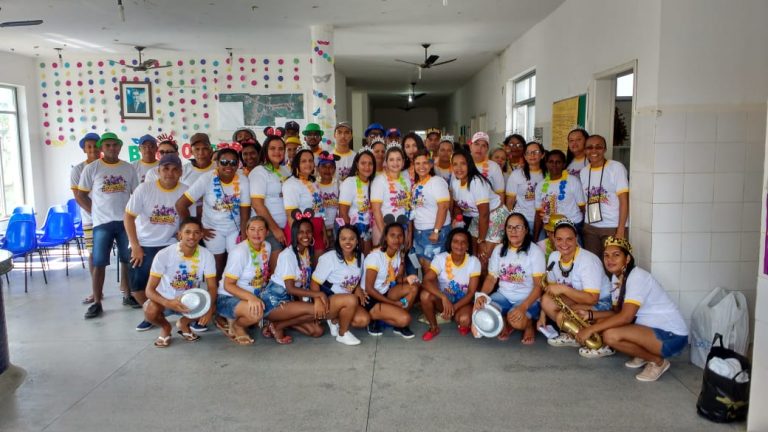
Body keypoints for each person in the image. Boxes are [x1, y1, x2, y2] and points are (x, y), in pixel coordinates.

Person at [575, 237, 688, 381]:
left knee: (610, 335)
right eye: (606, 255)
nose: (610, 260)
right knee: (603, 324)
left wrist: (591, 329)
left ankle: (658, 362)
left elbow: (626, 317)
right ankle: (643, 354)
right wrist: (590, 315)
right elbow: (616, 313)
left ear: (627, 259)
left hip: (672, 337)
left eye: (616, 255)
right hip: (651, 330)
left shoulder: (637, 277)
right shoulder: (617, 277)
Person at [76, 132, 139, 319]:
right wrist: (94, 212)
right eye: (108, 145)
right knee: (99, 262)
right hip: (102, 224)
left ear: (120, 147)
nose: (112, 148)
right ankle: (97, 302)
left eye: (115, 145)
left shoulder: (128, 168)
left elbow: (136, 195)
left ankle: (128, 295)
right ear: (102, 148)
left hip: (125, 222)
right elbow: (80, 195)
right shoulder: (92, 168)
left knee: (128, 259)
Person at [125, 153, 188, 331]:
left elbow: (188, 220)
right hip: (144, 243)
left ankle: (178, 311)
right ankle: (152, 314)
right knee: (137, 287)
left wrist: (182, 237)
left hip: (170, 244)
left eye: (175, 169)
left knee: (179, 282)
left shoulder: (186, 190)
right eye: (166, 169)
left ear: (181, 172)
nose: (170, 173)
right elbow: (128, 217)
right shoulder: (144, 189)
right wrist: (135, 245)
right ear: (158, 171)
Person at [538, 219, 613, 350]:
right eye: (559, 239)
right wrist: (542, 316)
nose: (564, 244)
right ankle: (574, 334)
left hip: (601, 302)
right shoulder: (554, 257)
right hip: (578, 299)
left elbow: (592, 299)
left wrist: (563, 289)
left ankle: (585, 337)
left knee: (563, 316)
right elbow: (551, 292)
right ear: (553, 239)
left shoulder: (588, 261)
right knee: (546, 300)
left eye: (569, 239)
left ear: (576, 238)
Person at [142, 218, 217, 347]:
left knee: (214, 304)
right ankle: (166, 328)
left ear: (201, 235)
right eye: (187, 232)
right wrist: (168, 302)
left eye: (196, 232)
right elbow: (149, 290)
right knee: (149, 310)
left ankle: (183, 323)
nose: (192, 236)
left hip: (191, 301)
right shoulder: (164, 254)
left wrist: (209, 308)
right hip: (165, 300)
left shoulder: (207, 255)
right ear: (179, 234)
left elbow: (212, 287)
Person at [178, 148, 250, 280]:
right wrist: (199, 229)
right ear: (217, 163)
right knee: (217, 264)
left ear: (238, 164)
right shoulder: (206, 178)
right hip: (212, 229)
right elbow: (181, 204)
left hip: (235, 229)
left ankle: (231, 289)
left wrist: (244, 237)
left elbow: (245, 213)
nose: (229, 166)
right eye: (224, 162)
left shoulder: (243, 180)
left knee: (236, 261)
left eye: (233, 162)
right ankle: (216, 290)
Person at [474, 213, 544, 344]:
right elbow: (491, 278)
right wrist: (482, 295)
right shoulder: (499, 249)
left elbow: (538, 286)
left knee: (517, 322)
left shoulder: (535, 252)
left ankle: (529, 325)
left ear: (526, 230)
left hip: (526, 298)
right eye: (510, 227)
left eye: (518, 227)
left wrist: (523, 306)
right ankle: (504, 320)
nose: (513, 231)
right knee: (483, 312)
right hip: (503, 296)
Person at [310, 225, 372, 345]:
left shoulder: (360, 256)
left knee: (363, 320)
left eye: (351, 238)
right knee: (351, 299)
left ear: (357, 240)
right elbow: (314, 282)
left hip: (347, 300)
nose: (348, 242)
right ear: (338, 240)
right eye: (343, 239)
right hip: (327, 300)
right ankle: (343, 334)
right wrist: (317, 301)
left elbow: (353, 279)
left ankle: (334, 320)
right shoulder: (329, 258)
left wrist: (358, 288)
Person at [216, 216, 272, 345]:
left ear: (267, 232)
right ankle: (237, 326)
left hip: (254, 294)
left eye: (260, 229)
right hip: (228, 297)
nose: (256, 233)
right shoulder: (239, 252)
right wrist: (251, 298)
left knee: (278, 305)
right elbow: (228, 285)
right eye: (252, 229)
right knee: (257, 313)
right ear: (246, 232)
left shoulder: (267, 246)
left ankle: (236, 317)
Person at [420, 228, 481, 341]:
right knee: (425, 295)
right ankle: (434, 327)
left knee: (464, 320)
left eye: (463, 242)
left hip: (463, 303)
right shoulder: (440, 258)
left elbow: (471, 292)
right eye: (455, 241)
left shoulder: (474, 261)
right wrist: (443, 297)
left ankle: (455, 317)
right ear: (450, 243)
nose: (459, 245)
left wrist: (453, 308)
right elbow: (426, 281)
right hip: (444, 301)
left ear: (468, 245)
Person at [450, 149, 507, 268]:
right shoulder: (455, 182)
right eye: (455, 164)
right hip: (478, 217)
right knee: (473, 254)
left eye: (463, 163)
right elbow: (457, 206)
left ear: (469, 164)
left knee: (484, 257)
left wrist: (481, 241)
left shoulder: (476, 182)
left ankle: (486, 279)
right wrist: (457, 218)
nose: (459, 168)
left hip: (495, 215)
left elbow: (484, 214)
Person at [362, 223, 419, 339]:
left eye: (400, 236)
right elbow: (369, 288)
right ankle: (373, 318)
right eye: (392, 235)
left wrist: (407, 278)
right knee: (405, 319)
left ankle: (395, 320)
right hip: (370, 298)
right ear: (385, 237)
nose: (396, 239)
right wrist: (393, 303)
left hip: (386, 292)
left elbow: (397, 278)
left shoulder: (398, 253)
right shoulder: (375, 257)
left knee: (413, 287)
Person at [580, 134, 629, 259]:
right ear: (585, 150)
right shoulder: (584, 172)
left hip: (612, 227)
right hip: (591, 228)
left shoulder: (616, 168)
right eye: (589, 147)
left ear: (605, 149)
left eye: (598, 147)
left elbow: (624, 201)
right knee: (593, 264)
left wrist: (620, 230)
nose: (594, 151)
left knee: (612, 264)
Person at [250, 135, 290, 271]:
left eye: (280, 149)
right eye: (272, 148)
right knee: (275, 270)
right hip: (269, 229)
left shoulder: (286, 170)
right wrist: (275, 229)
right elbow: (257, 205)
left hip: (286, 227)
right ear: (265, 150)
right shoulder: (259, 172)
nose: (277, 152)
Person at [71, 132, 101, 305]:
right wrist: (97, 214)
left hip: (112, 218)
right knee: (93, 254)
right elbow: (78, 196)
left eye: (96, 146)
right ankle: (96, 292)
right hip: (90, 219)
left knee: (124, 255)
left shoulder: (107, 166)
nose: (93, 149)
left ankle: (126, 291)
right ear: (84, 149)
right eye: (89, 147)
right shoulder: (78, 170)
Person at [410, 149, 451, 272]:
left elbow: (444, 207)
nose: (421, 166)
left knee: (432, 270)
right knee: (423, 266)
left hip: (434, 231)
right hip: (419, 232)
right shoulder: (416, 185)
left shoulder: (436, 181)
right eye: (417, 163)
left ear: (431, 164)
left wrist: (436, 231)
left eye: (425, 163)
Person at [282, 148, 328, 251]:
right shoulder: (291, 184)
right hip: (301, 232)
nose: (308, 164)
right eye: (303, 161)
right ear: (297, 164)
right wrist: (297, 239)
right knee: (303, 260)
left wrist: (323, 232)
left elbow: (319, 209)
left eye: (310, 160)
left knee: (320, 260)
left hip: (317, 230)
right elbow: (290, 214)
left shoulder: (313, 182)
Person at [533, 149, 585, 241]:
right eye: (551, 162)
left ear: (564, 164)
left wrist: (584, 229)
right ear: (546, 164)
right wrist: (535, 237)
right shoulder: (541, 185)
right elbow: (538, 213)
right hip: (549, 228)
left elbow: (583, 208)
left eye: (558, 162)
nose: (554, 165)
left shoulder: (573, 181)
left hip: (573, 225)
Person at [371, 145, 411, 247]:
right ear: (386, 162)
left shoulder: (406, 181)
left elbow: (409, 209)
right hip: (383, 228)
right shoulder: (379, 181)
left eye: (398, 159)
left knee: (400, 256)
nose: (395, 163)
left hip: (402, 229)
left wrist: (409, 232)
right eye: (391, 159)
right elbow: (376, 209)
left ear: (403, 162)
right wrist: (385, 235)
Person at [338, 149, 375, 254]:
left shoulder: (373, 183)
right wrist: (351, 236)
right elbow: (343, 213)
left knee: (367, 259)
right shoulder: (350, 182)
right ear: (357, 164)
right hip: (353, 229)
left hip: (368, 229)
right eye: (363, 163)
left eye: (370, 163)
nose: (367, 167)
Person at [506, 141, 546, 233]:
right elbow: (510, 202)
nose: (532, 155)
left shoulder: (549, 174)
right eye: (528, 152)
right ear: (524, 156)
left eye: (536, 152)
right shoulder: (516, 174)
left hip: (543, 221)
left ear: (542, 155)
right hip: (522, 220)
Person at [182, 133, 216, 218]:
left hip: (215, 218)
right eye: (197, 149)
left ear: (211, 150)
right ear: (191, 151)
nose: (201, 153)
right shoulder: (183, 170)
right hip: (190, 217)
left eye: (205, 148)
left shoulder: (219, 168)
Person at [469, 131, 505, 201]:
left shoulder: (494, 167)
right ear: (470, 146)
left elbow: (500, 194)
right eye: (476, 144)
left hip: (490, 206)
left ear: (487, 149)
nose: (479, 148)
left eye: (483, 146)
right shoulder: (462, 164)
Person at [317, 151, 340, 246]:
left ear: (335, 169)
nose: (327, 170)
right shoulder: (314, 186)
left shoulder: (339, 185)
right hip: (319, 228)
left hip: (336, 227)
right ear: (318, 168)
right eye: (324, 166)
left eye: (331, 167)